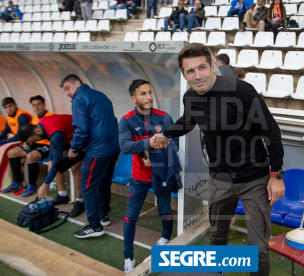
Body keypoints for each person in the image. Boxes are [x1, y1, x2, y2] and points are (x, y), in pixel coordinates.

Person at [152, 43, 285, 276]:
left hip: (254, 179)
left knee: (259, 248)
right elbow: (188, 121)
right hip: (219, 179)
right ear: (184, 74)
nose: (197, 75)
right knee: (217, 234)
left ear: (212, 66)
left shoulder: (241, 90)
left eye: (202, 67)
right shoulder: (190, 96)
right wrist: (165, 135)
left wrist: (276, 175)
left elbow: (271, 131)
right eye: (190, 71)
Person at [119, 79, 180, 273]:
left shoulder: (164, 117)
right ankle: (128, 257)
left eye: (150, 92)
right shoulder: (127, 120)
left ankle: (165, 237)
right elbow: (125, 146)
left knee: (165, 210)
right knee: (130, 217)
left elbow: (176, 144)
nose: (149, 97)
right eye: (143, 94)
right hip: (139, 176)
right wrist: (148, 144)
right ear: (133, 98)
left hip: (161, 173)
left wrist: (158, 152)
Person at [58, 75, 120, 238]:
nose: (67, 93)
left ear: (77, 84)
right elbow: (113, 120)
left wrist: (74, 148)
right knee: (104, 183)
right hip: (113, 147)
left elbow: (81, 128)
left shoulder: (79, 98)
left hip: (98, 150)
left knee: (87, 186)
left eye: (67, 88)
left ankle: (94, 226)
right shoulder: (101, 95)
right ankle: (103, 216)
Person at [19, 115, 83, 217]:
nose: (35, 142)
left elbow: (57, 160)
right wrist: (50, 160)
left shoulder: (55, 132)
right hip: (66, 137)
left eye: (35, 139)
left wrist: (45, 185)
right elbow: (54, 152)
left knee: (74, 168)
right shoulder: (42, 125)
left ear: (36, 131)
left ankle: (80, 201)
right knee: (54, 165)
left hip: (80, 137)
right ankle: (62, 195)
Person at [4, 96, 54, 196]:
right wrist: (26, 142)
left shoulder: (51, 116)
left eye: (39, 104)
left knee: (31, 156)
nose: (36, 107)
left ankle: (32, 185)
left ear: (44, 104)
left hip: (48, 145)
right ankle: (17, 182)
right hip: (35, 144)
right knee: (11, 152)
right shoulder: (34, 119)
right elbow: (29, 134)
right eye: (34, 105)